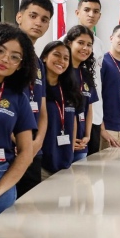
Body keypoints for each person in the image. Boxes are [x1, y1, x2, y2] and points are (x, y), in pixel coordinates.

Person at [0, 23, 37, 226]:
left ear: (20, 65)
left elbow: (25, 151)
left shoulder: (18, 98)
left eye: (15, 57)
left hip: (2, 178)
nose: (5, 59)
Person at [14, 0, 52, 197]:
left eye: (44, 19)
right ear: (19, 16)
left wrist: (37, 142)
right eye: (33, 15)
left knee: (28, 205)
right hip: (10, 146)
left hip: (34, 147)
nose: (38, 23)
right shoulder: (6, 54)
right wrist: (21, 142)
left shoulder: (38, 62)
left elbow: (42, 107)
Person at [62, 0, 107, 156]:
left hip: (93, 113)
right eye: (86, 10)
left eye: (96, 11)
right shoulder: (63, 42)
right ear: (77, 12)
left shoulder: (100, 44)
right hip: (69, 115)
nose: (91, 14)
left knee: (90, 167)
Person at [39, 41, 82, 178]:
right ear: (44, 57)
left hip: (65, 160)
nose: (61, 61)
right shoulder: (37, 88)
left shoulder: (69, 88)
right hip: (41, 161)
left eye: (66, 58)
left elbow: (73, 120)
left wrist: (70, 151)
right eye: (56, 55)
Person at [63, 25, 99, 161]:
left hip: (81, 143)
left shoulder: (86, 74)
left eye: (89, 45)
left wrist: (87, 135)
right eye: (81, 43)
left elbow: (89, 108)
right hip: (63, 141)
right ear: (69, 43)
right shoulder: (60, 71)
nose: (85, 48)